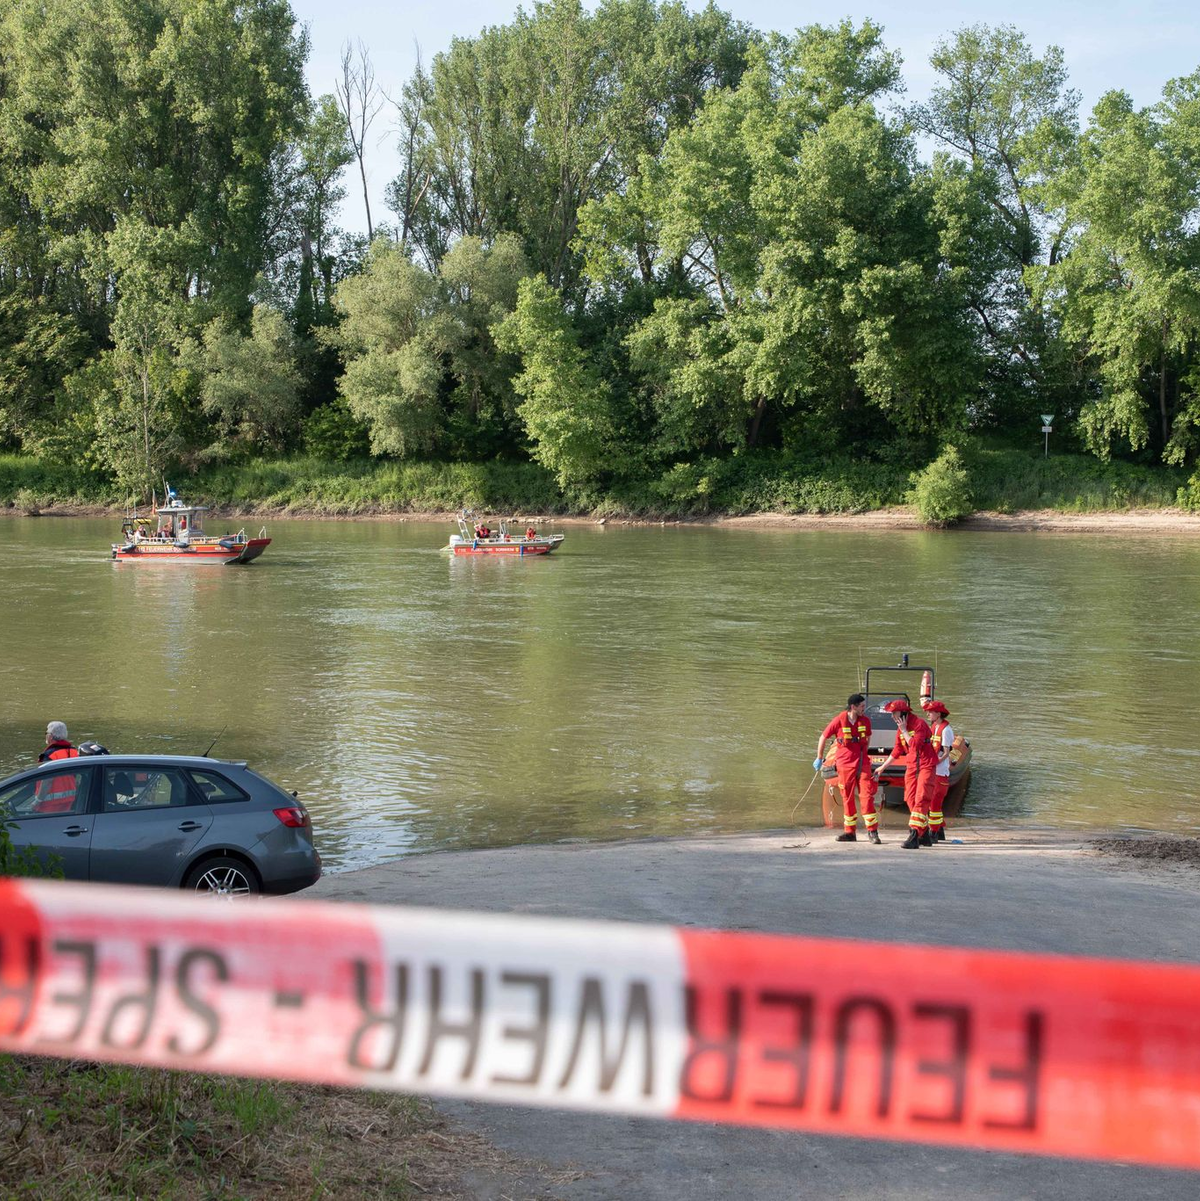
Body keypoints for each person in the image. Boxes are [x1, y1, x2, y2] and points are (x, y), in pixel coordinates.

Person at [815, 693, 880, 844]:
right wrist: (819, 757)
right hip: (845, 764)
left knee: (867, 797)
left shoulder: (865, 721)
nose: (864, 708)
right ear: (853, 707)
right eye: (862, 706)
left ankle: (873, 831)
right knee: (847, 798)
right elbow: (823, 737)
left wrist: (863, 754)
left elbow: (868, 738)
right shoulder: (839, 720)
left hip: (862, 763)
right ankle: (850, 832)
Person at [873, 699, 938, 849]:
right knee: (909, 799)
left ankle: (914, 834)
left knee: (921, 798)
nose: (892, 717)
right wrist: (882, 767)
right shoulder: (900, 729)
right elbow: (897, 750)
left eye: (894, 713)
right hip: (912, 766)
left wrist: (904, 730)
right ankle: (924, 834)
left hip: (925, 765)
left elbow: (915, 745)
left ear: (903, 713)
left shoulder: (919, 724)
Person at [922, 699, 955, 841]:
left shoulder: (946, 730)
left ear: (938, 714)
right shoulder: (934, 726)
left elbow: (946, 752)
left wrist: (934, 763)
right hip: (933, 770)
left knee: (934, 804)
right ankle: (940, 830)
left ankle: (934, 833)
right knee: (932, 803)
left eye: (930, 712)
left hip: (940, 772)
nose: (928, 714)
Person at [34, 720, 81, 813]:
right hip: (70, 799)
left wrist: (37, 801)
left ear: (50, 736)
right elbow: (77, 778)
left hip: (49, 803)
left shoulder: (49, 755)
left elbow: (47, 781)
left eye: (46, 733)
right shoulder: (74, 752)